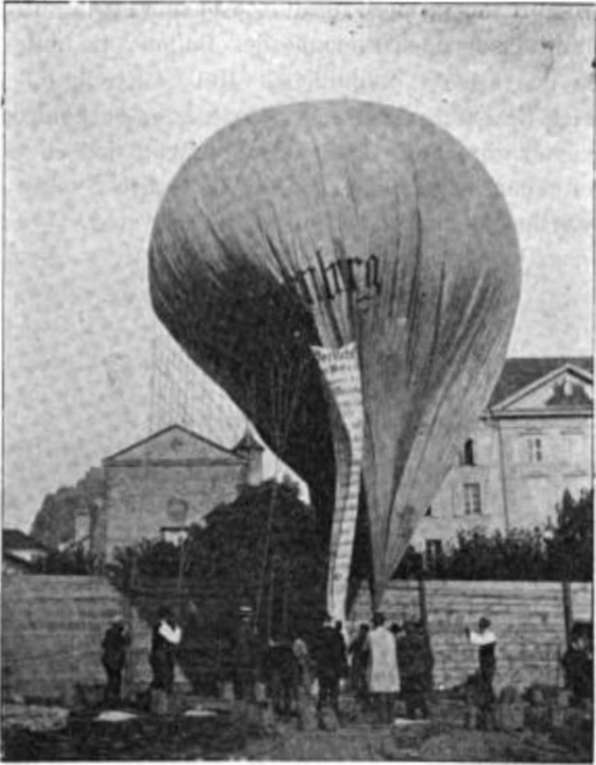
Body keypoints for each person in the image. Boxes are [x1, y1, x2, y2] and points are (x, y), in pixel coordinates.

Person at [366, 612, 400, 724]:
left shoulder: (371, 635)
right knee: (390, 695)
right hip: (390, 668)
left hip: (377, 668)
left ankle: (382, 719)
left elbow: (364, 650)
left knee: (380, 696)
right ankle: (391, 719)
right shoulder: (390, 635)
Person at [465, 616, 496, 730]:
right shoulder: (486, 635)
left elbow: (479, 640)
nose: (480, 628)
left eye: (481, 626)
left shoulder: (489, 635)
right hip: (485, 665)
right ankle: (485, 711)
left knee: (486, 686)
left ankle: (488, 709)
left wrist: (469, 634)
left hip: (488, 665)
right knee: (484, 686)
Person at [313, 614, 345, 719]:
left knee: (322, 689)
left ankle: (319, 712)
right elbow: (341, 652)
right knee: (334, 691)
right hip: (334, 666)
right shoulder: (337, 635)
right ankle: (334, 712)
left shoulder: (318, 635)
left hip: (323, 666)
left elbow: (314, 652)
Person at [397, 621, 429, 719]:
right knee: (416, 693)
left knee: (411, 693)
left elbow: (399, 655)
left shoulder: (402, 641)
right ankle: (421, 712)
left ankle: (414, 712)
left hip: (411, 670)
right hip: (417, 669)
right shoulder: (419, 640)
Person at [150, 606, 182, 695]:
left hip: (163, 654)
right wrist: (178, 628)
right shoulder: (161, 626)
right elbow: (175, 638)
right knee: (163, 677)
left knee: (164, 676)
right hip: (161, 655)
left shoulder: (162, 626)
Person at [101, 615, 130, 705]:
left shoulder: (109, 633)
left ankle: (110, 699)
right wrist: (125, 634)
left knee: (112, 679)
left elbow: (103, 644)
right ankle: (112, 700)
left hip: (109, 660)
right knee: (115, 680)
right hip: (114, 661)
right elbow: (125, 643)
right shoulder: (116, 634)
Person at [234, 605, 259, 702]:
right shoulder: (247, 628)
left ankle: (242, 696)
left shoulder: (238, 627)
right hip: (247, 657)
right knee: (248, 679)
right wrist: (255, 634)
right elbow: (253, 642)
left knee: (241, 678)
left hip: (239, 657)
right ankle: (248, 697)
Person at [561, 629, 593, 705]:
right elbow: (576, 672)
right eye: (581, 641)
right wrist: (587, 659)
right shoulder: (569, 656)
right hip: (579, 689)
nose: (584, 643)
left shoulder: (582, 653)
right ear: (574, 643)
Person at [348, 623, 370, 708]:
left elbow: (349, 650)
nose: (362, 632)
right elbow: (349, 649)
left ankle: (362, 697)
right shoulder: (358, 639)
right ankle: (361, 697)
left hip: (362, 663)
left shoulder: (360, 639)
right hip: (359, 662)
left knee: (361, 680)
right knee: (359, 680)